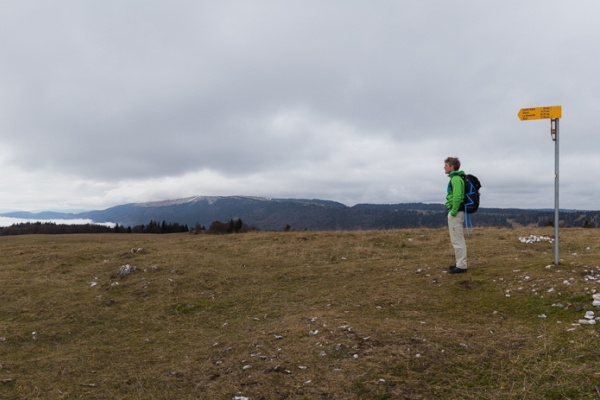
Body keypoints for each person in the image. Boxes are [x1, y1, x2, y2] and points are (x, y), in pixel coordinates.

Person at [444, 157, 467, 273]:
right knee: (457, 239)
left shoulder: (456, 179)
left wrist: (453, 211)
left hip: (456, 212)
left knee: (457, 239)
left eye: (446, 165)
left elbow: (458, 196)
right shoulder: (455, 178)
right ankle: (460, 263)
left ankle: (462, 266)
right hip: (457, 211)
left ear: (452, 166)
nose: (444, 167)